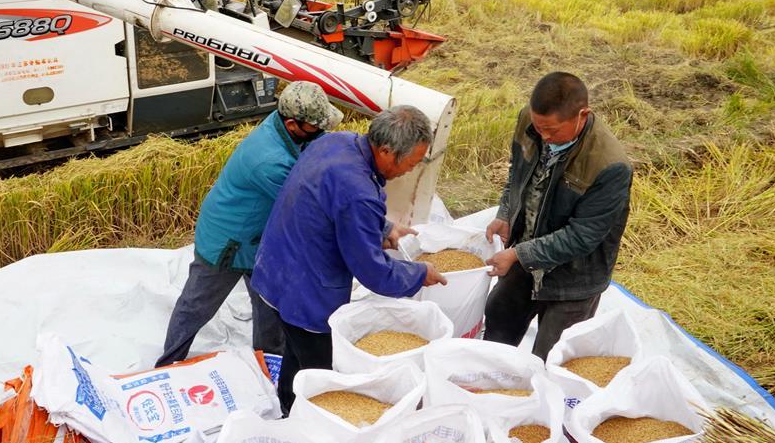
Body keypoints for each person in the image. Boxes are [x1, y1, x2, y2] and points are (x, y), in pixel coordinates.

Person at [251, 105, 448, 414]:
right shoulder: (359, 193)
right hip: (307, 293)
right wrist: (419, 272)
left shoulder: (336, 142)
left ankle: (288, 406)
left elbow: (330, 202)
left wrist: (383, 226)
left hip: (274, 268)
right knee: (321, 374)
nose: (410, 170)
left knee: (295, 349)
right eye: (410, 163)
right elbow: (373, 272)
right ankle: (311, 429)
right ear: (385, 151)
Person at [154, 81, 343, 368]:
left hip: (257, 239)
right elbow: (308, 208)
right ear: (293, 124)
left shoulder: (283, 125)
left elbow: (314, 152)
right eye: (316, 127)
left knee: (268, 302)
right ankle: (167, 363)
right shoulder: (269, 162)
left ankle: (269, 361)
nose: (322, 132)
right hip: (228, 242)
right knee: (197, 306)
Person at [483, 72, 632, 361]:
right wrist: (506, 211)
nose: (545, 137)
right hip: (524, 260)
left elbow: (582, 236)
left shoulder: (609, 165)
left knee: (550, 360)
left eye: (552, 130)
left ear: (582, 115)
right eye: (539, 128)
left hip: (574, 277)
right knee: (497, 329)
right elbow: (517, 171)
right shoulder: (532, 121)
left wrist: (518, 254)